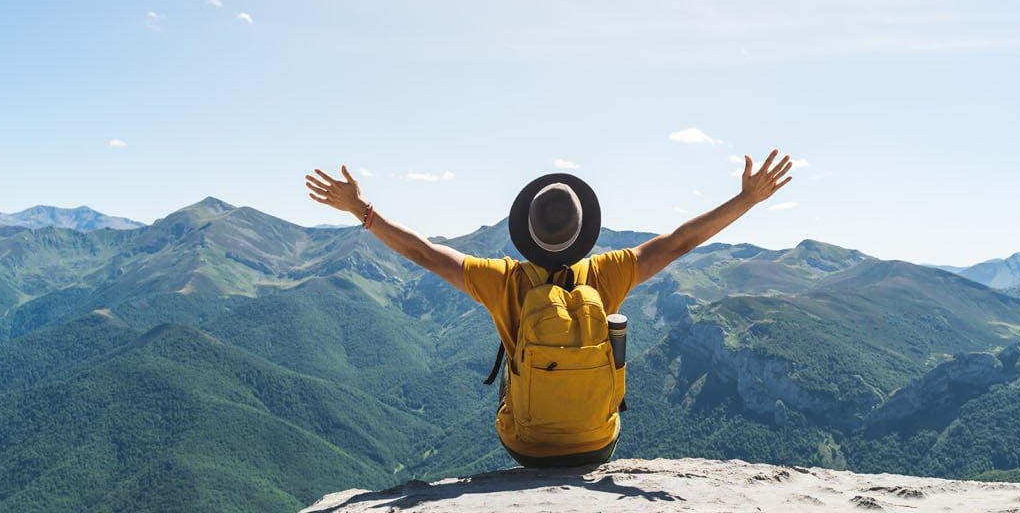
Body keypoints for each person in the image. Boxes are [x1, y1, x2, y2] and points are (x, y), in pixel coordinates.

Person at [306, 149, 795, 466]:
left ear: (526, 229)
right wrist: (746, 199)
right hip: (597, 442)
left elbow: (424, 253)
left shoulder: (502, 280)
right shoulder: (608, 274)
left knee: (509, 356)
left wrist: (362, 211)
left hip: (528, 447)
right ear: (582, 233)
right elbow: (679, 242)